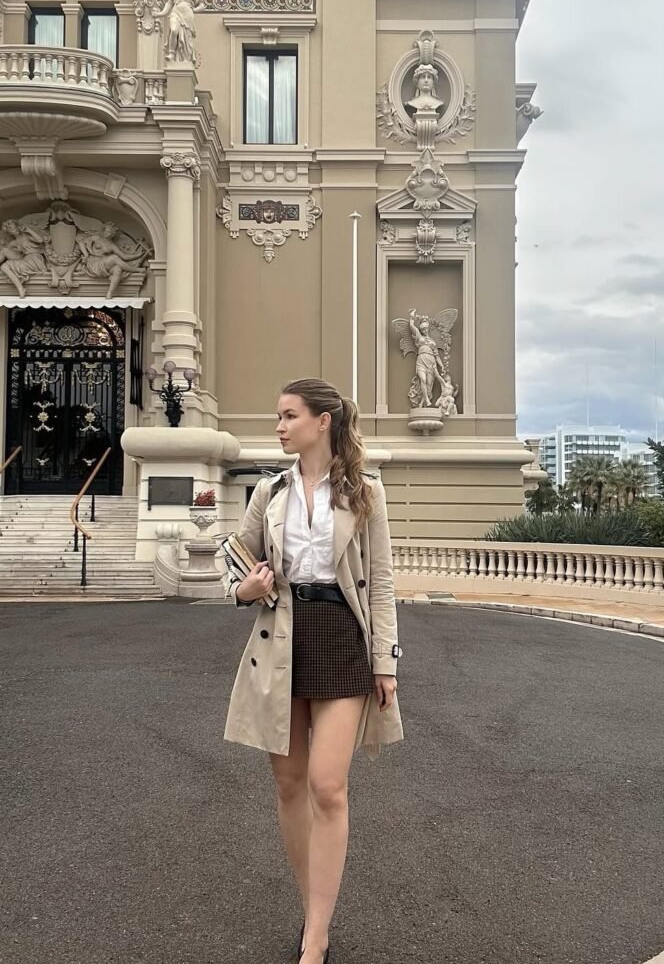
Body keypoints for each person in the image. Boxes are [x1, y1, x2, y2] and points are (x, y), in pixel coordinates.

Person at [223, 377, 404, 964]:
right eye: (278, 416)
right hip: (281, 636)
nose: (278, 426)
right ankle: (313, 914)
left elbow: (381, 586)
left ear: (322, 421)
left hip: (342, 638)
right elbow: (235, 556)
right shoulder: (269, 491)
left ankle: (317, 938)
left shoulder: (365, 492)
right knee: (289, 784)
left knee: (329, 786)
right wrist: (243, 588)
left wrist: (386, 663)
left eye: (288, 415)